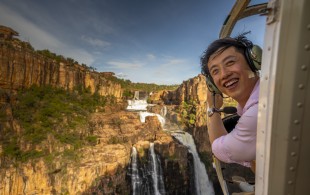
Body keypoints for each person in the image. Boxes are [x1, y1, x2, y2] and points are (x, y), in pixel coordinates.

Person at [200, 34, 260, 169]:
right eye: (215, 71)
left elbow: (219, 150)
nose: (224, 74)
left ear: (253, 61)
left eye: (230, 62)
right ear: (213, 84)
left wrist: (213, 108)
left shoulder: (257, 112)